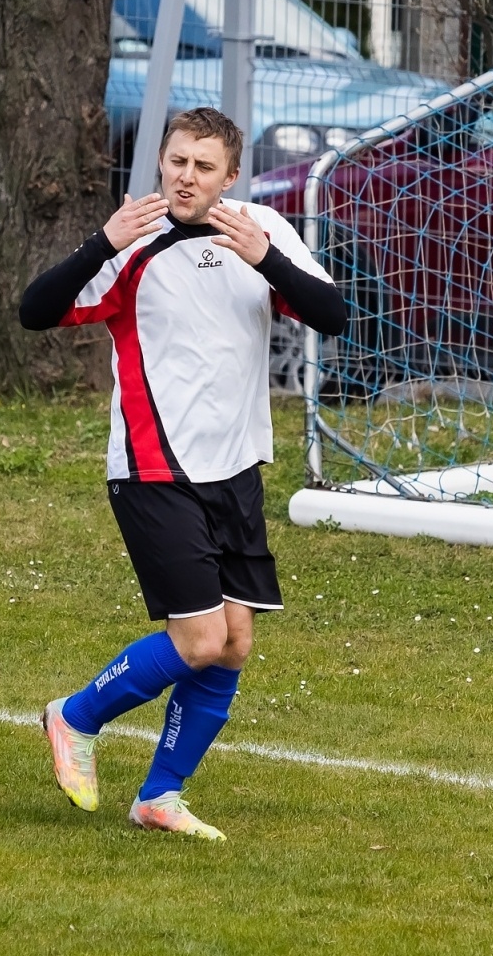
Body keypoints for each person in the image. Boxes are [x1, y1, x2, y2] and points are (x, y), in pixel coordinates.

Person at [20, 107, 346, 840]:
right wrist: (97, 242)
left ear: (230, 177)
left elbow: (333, 314)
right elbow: (34, 310)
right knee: (198, 639)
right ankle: (73, 717)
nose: (186, 177)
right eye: (176, 161)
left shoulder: (261, 231)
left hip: (235, 471)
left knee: (232, 642)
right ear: (160, 164)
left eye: (203, 166)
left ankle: (159, 796)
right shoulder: (131, 240)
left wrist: (266, 258)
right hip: (152, 469)